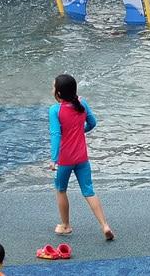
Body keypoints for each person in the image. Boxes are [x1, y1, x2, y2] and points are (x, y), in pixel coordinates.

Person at [50, 74, 114, 241]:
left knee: (61, 189)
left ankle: (65, 225)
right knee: (88, 190)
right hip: (82, 157)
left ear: (58, 93)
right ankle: (104, 225)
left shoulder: (55, 110)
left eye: (53, 87)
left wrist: (54, 159)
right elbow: (92, 123)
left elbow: (56, 135)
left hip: (65, 159)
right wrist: (80, 131)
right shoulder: (82, 103)